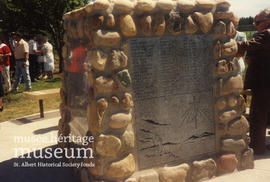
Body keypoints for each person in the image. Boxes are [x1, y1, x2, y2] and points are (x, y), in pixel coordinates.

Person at [234, 8, 270, 154]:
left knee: (258, 116)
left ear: (268, 21)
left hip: (263, 82)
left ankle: (257, 147)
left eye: (257, 22)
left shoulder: (267, 34)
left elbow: (249, 45)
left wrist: (229, 46)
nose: (255, 25)